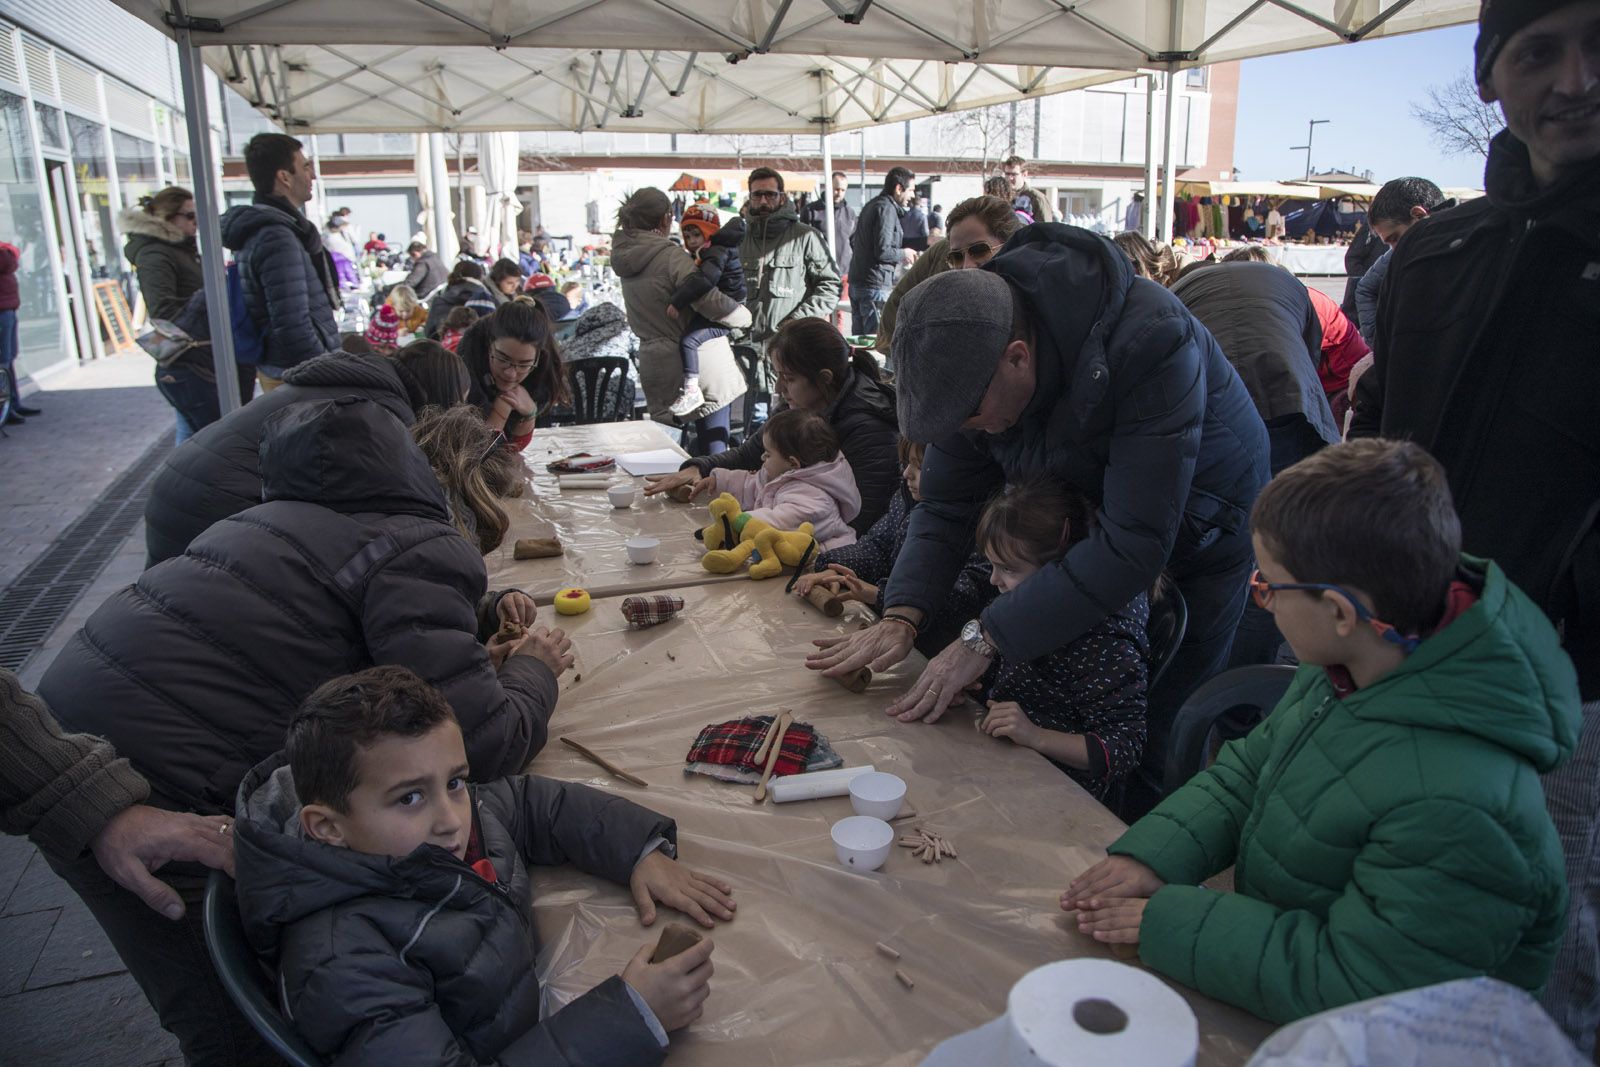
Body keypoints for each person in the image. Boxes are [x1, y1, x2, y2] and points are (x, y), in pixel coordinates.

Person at [41, 400, 568, 1064]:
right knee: (230, 1011)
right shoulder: (418, 542)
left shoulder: (299, 512)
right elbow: (482, 740)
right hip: (139, 768)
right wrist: (533, 670)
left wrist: (475, 622)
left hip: (75, 721)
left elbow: (340, 604)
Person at [1066, 438, 1580, 1025]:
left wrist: (1177, 922)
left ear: (1339, 612)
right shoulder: (1353, 665)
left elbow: (1362, 983)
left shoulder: (1463, 810)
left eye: (1270, 587)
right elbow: (1248, 771)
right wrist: (1158, 857)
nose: (1261, 604)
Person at [807, 232, 1269, 824]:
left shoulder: (1151, 338)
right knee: (1049, 685)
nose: (971, 431)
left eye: (972, 417)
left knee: (1156, 722)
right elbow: (946, 507)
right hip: (1086, 518)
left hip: (1202, 525)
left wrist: (986, 637)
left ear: (1018, 357)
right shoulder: (972, 371)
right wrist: (904, 610)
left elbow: (1133, 543)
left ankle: (1134, 859)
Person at [1351, 1, 1600, 1049]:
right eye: (1538, 52)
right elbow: (1384, 443)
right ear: (1489, 80)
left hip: (1574, 676)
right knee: (1425, 879)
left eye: (1598, 47)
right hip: (1423, 642)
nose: (1575, 81)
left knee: (1543, 916)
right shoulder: (1439, 250)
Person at [234, 666, 728, 1063]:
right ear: (326, 827)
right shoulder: (343, 963)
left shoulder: (425, 834)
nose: (452, 820)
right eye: (409, 798)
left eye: (454, 782)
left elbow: (532, 803)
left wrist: (635, 851)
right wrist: (632, 1015)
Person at [142, 342, 472, 565]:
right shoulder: (379, 412)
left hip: (177, 485)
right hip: (216, 504)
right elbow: (410, 509)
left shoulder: (355, 379)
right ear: (440, 396)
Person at [973, 481, 1150, 802]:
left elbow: (1124, 747)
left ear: (1058, 570)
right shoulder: (1019, 599)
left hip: (1065, 790)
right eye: (992, 565)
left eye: (1007, 570)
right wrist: (975, 682)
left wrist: (1035, 736)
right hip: (1008, 758)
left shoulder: (1104, 639)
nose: (993, 580)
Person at [647, 317, 899, 533]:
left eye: (788, 378)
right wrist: (697, 469)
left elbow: (861, 521)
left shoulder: (869, 428)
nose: (779, 388)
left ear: (824, 379)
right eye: (778, 376)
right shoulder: (800, 405)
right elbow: (749, 453)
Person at [795, 439, 992, 656]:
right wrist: (836, 569)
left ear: (954, 472)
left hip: (939, 647)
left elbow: (966, 593)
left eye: (920, 466)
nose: (907, 473)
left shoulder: (982, 522)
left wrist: (880, 595)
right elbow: (877, 545)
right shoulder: (905, 499)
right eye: (906, 463)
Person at [612, 187, 751, 454]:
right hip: (701, 362)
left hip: (656, 363)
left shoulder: (624, 258)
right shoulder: (670, 256)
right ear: (665, 219)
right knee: (714, 457)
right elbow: (709, 300)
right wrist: (744, 316)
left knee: (664, 457)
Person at [1171, 258, 1340, 475]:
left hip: (1217, 401)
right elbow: (1310, 349)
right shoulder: (1283, 281)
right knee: (1284, 489)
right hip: (1285, 395)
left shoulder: (1180, 291)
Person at [219, 133, 339, 391]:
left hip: (286, 370)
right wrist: (328, 370)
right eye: (305, 167)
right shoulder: (276, 236)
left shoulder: (273, 229)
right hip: (298, 376)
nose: (312, 176)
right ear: (284, 177)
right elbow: (292, 324)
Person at [120, 186, 222, 442]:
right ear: (167, 219)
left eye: (196, 216)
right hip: (188, 359)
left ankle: (183, 481)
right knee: (204, 439)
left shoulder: (181, 249)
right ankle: (186, 482)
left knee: (193, 435)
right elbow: (164, 312)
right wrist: (207, 295)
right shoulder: (156, 254)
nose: (195, 223)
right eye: (189, 216)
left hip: (199, 355)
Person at [874, 194, 1023, 356]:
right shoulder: (944, 272)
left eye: (979, 250)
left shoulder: (1030, 288)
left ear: (1010, 246)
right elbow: (895, 312)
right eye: (956, 257)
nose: (967, 266)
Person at [739, 166, 841, 396]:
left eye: (770, 194)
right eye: (757, 194)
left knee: (788, 424)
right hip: (747, 353)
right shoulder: (739, 240)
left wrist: (795, 324)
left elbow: (830, 287)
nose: (763, 200)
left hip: (790, 357)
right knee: (753, 425)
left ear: (782, 197)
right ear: (750, 197)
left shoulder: (805, 237)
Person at [707, 408, 861, 549]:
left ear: (793, 463)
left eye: (768, 454)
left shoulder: (815, 498)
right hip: (790, 558)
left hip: (823, 565)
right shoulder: (780, 475)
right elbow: (752, 486)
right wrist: (720, 482)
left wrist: (736, 521)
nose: (762, 457)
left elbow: (780, 522)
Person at [666, 204, 747, 418]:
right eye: (687, 235)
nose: (692, 241)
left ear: (708, 232)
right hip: (728, 305)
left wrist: (678, 301)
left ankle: (691, 389)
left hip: (729, 307)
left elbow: (704, 280)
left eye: (696, 234)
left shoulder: (715, 252)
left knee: (689, 340)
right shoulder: (711, 250)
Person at [456, 299, 568, 453]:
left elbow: (512, 451)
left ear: (538, 359)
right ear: (489, 344)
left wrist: (530, 413)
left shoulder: (542, 377)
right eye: (503, 359)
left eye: (524, 364)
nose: (511, 373)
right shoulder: (460, 377)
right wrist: (500, 408)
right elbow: (478, 455)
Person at [1351, 176, 1448, 345]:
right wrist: (1379, 347)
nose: (1395, 250)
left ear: (1419, 216)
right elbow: (1366, 288)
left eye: (1395, 238)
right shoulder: (1401, 252)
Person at [847, 166, 914, 335]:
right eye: (911, 190)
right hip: (874, 286)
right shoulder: (886, 209)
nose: (912, 196)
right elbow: (883, 251)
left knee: (861, 345)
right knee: (875, 343)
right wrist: (904, 253)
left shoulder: (873, 205)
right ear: (899, 188)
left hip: (860, 282)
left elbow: (856, 241)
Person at [799, 170, 858, 277]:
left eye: (843, 190)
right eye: (836, 189)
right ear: (828, 187)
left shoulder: (850, 214)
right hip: (818, 272)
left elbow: (855, 243)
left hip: (844, 273)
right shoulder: (811, 211)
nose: (839, 193)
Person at [0, 237, 32, 425]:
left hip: (5, 311)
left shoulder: (3, 256)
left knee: (6, 360)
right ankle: (11, 405)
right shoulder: (7, 254)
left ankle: (9, 406)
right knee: (6, 360)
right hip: (7, 311)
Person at [423, 259, 498, 338]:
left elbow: (430, 333)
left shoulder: (440, 300)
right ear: (479, 277)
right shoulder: (490, 300)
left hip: (444, 347)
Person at [1003, 156, 1058, 224]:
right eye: (1007, 174)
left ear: (1024, 174)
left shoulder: (1037, 198)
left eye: (1014, 174)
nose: (1009, 178)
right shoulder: (1002, 196)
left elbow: (1046, 228)